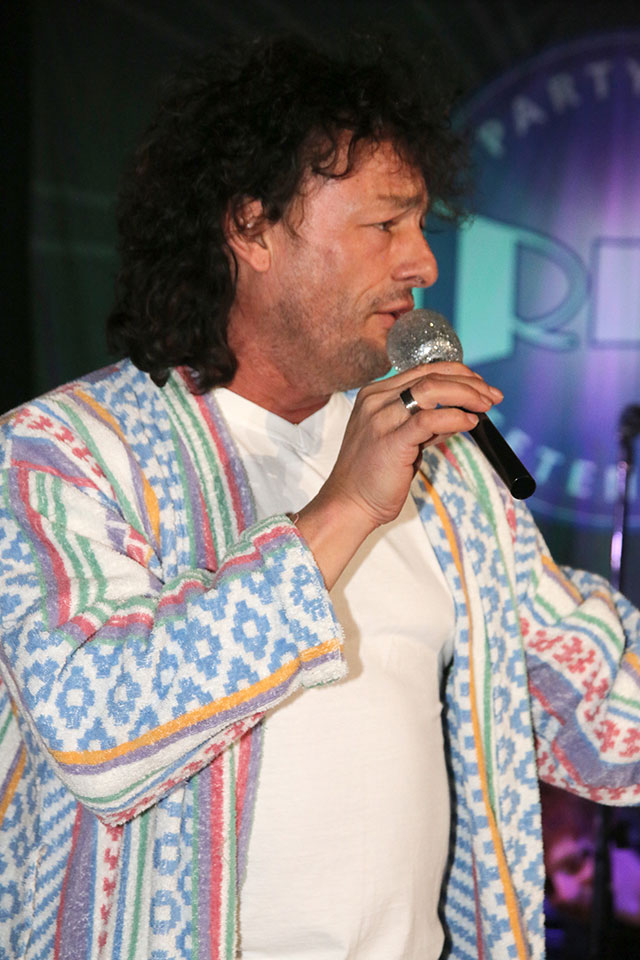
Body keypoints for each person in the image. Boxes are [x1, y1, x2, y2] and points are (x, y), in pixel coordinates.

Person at [1, 34, 639, 960]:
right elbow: (96, 731)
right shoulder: (67, 452)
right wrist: (344, 511)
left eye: (422, 225)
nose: (423, 262)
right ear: (252, 227)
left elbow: (603, 699)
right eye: (386, 225)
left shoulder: (448, 472)